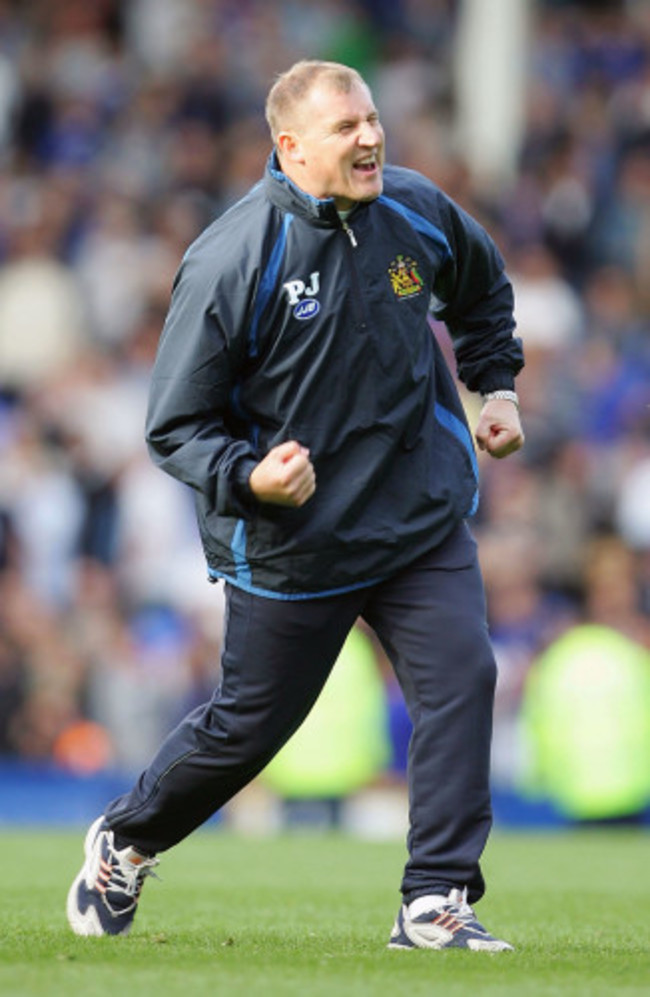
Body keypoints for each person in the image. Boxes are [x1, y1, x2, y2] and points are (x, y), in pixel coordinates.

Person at [66, 60, 524, 951]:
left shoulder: (416, 208)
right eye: (347, 127)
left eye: (373, 119)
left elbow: (483, 293)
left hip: (416, 516)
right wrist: (250, 479)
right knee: (247, 732)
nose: (371, 138)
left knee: (462, 677)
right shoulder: (233, 256)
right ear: (289, 147)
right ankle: (125, 839)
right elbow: (174, 426)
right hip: (293, 544)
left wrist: (496, 385)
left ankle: (433, 901)